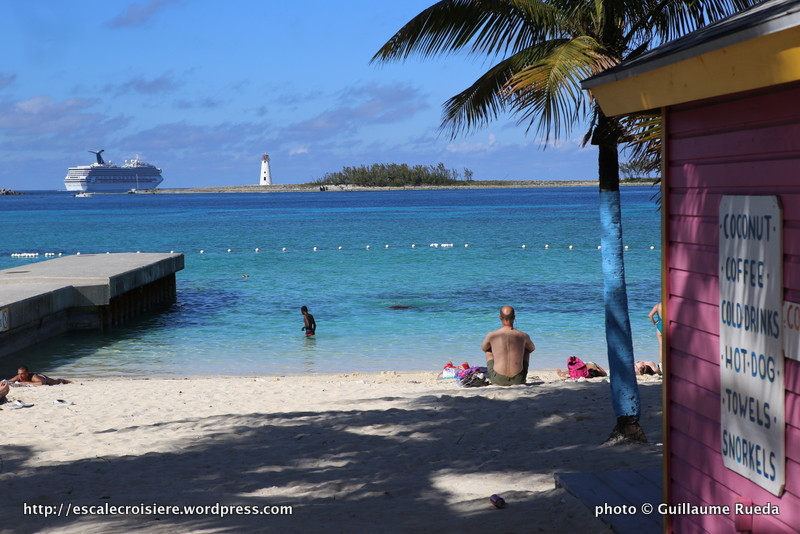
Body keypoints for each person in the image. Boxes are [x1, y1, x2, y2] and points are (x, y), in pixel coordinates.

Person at [481, 306, 535, 386]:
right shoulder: (523, 335)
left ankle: (497, 373)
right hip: (518, 379)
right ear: (514, 317)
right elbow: (532, 349)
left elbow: (484, 348)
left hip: (498, 379)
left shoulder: (492, 335)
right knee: (527, 350)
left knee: (488, 350)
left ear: (500, 317)